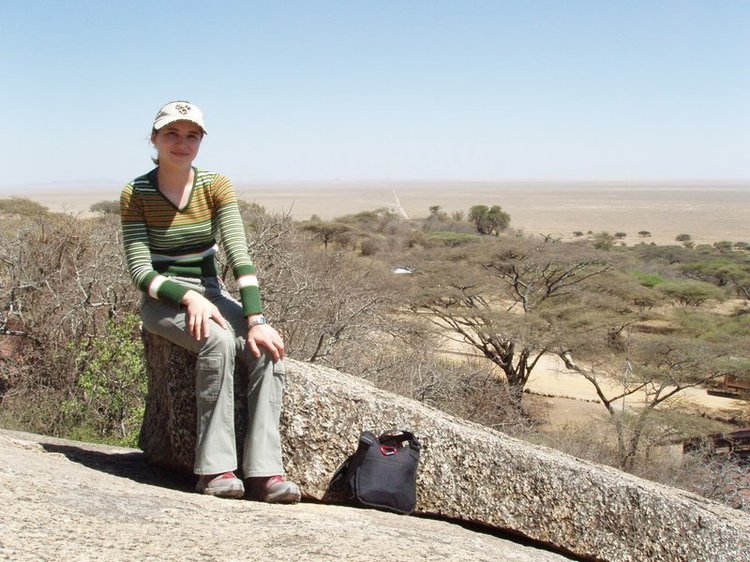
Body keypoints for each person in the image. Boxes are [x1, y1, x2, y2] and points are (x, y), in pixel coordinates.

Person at [120, 100, 300, 503]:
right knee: (217, 341)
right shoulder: (137, 192)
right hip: (163, 301)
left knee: (267, 350)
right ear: (154, 139)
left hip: (212, 293)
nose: (181, 144)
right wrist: (187, 298)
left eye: (192, 135)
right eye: (172, 134)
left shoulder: (214, 185)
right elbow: (140, 272)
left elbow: (239, 253)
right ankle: (216, 470)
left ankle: (266, 472)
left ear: (200, 141)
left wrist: (257, 318)